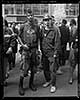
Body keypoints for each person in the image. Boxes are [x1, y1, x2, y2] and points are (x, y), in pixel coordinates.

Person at [18, 9, 42, 95]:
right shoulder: (23, 26)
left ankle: (31, 84)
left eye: (32, 15)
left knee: (33, 68)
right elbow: (18, 37)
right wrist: (22, 45)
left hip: (34, 50)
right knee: (24, 69)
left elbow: (39, 38)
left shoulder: (37, 27)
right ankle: (20, 86)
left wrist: (38, 49)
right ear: (26, 16)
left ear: (33, 16)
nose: (30, 17)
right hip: (26, 50)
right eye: (28, 15)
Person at [42, 14, 61, 93]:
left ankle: (53, 85)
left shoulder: (55, 29)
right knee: (45, 68)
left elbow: (57, 42)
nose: (46, 22)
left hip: (52, 52)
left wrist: (55, 53)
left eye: (48, 20)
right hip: (44, 52)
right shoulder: (42, 29)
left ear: (51, 20)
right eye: (45, 20)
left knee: (52, 70)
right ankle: (48, 81)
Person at [3, 19, 16, 86]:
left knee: (4, 67)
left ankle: (4, 80)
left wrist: (11, 47)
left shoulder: (9, 31)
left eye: (4, 25)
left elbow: (13, 40)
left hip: (5, 53)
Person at [68, 19, 78, 84]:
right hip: (74, 48)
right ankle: (71, 77)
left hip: (74, 48)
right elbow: (72, 39)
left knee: (73, 64)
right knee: (73, 64)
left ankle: (71, 78)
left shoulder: (73, 28)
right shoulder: (74, 29)